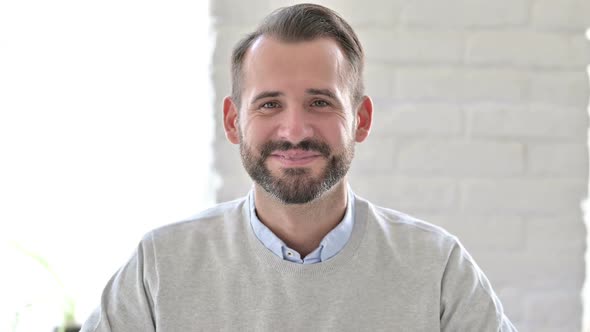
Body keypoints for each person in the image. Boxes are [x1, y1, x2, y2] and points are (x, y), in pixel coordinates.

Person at [80, 3, 516, 331]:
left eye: (319, 102)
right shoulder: (161, 265)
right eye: (269, 104)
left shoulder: (436, 267)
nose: (293, 130)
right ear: (234, 121)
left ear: (360, 120)